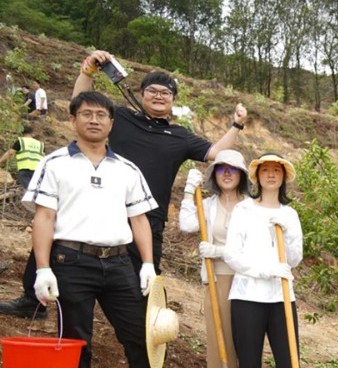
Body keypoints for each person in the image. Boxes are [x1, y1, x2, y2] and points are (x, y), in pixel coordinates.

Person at [0, 49, 247, 319]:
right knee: (54, 239)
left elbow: (216, 152)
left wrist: (236, 125)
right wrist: (88, 71)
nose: (158, 96)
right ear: (142, 94)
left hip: (149, 215)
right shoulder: (120, 119)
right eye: (152, 91)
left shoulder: (181, 136)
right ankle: (31, 301)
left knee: (147, 268)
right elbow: (80, 101)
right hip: (102, 205)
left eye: (165, 93)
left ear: (173, 100)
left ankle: (149, 324)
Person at [21, 91, 191, 368]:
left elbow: (139, 219)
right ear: (73, 120)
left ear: (112, 123)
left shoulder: (126, 169)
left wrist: (146, 263)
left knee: (142, 335)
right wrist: (42, 268)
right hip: (71, 261)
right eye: (86, 114)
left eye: (101, 115)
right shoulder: (55, 163)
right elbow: (44, 218)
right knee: (77, 341)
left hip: (118, 263)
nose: (94, 120)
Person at [178, 150, 274, 368]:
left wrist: (218, 250)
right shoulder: (207, 204)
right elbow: (186, 224)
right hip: (217, 279)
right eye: (221, 169)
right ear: (215, 175)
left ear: (243, 175)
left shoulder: (252, 207)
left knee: (249, 344)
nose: (227, 174)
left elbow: (256, 248)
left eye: (233, 169)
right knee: (218, 341)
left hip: (247, 283)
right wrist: (188, 191)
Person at [224, 153, 312, 368]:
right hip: (247, 295)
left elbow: (295, 258)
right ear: (257, 176)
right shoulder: (243, 210)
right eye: (266, 170)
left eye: (277, 170)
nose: (271, 175)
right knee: (249, 363)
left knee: (289, 362)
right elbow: (232, 255)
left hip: (281, 298)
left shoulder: (290, 215)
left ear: (283, 177)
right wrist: (264, 270)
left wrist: (286, 238)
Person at [0, 123, 44, 189]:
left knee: (29, 191)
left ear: (21, 131)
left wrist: (0, 161)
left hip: (25, 170)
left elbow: (10, 153)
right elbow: (44, 156)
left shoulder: (20, 141)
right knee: (36, 191)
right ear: (32, 132)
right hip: (38, 171)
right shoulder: (40, 143)